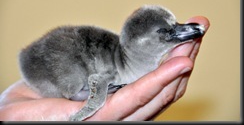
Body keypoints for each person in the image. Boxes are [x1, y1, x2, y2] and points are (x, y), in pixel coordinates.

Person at [0, 16, 210, 121]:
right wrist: (89, 104)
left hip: (39, 65)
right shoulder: (122, 66)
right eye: (164, 31)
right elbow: (99, 79)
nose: (175, 33)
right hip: (44, 69)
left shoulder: (127, 55)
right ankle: (73, 92)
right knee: (70, 70)